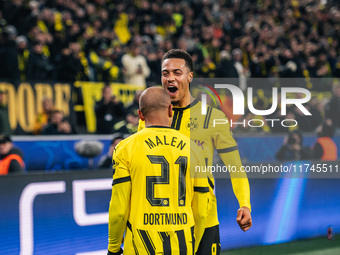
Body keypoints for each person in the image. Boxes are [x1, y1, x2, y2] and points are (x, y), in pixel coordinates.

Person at [138, 49, 252, 254]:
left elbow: (236, 168)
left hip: (203, 220)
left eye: (177, 72)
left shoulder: (213, 118)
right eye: (165, 73)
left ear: (190, 76)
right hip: (163, 223)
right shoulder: (150, 118)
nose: (170, 78)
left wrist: (245, 204)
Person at [108, 87, 209, 254]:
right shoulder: (195, 149)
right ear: (171, 110)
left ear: (140, 115)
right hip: (182, 244)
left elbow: (119, 210)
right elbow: (201, 211)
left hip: (141, 246)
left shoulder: (125, 148)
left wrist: (113, 248)